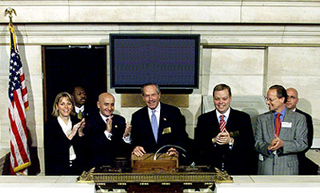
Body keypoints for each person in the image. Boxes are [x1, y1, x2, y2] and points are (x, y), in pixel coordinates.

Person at [194, 84, 256, 175]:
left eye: (224, 98)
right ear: (213, 99)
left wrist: (231, 141)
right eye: (217, 99)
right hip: (210, 171)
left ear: (230, 98)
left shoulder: (243, 118)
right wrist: (213, 140)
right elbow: (197, 146)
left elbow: (249, 145)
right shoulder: (204, 119)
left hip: (237, 171)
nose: (221, 102)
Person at [255, 85, 308, 175]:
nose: (267, 102)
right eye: (267, 99)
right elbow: (257, 143)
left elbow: (302, 143)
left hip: (288, 170)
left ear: (282, 99)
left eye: (271, 99)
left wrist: (283, 144)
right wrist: (267, 147)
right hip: (266, 169)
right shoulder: (262, 119)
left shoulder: (298, 118)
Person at [131, 83, 189, 159]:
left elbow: (182, 136)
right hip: (146, 161)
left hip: (169, 159)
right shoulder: (137, 116)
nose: (150, 99)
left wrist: (176, 149)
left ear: (159, 95)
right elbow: (135, 140)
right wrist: (136, 147)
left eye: (153, 95)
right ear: (143, 97)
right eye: (147, 96)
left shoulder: (173, 112)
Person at [44, 92, 86, 175]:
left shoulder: (76, 122)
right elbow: (57, 150)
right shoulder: (50, 125)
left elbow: (83, 150)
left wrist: (80, 132)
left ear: (72, 106)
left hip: (76, 167)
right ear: (57, 106)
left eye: (69, 104)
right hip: (58, 169)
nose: (66, 107)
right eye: (62, 104)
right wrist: (72, 133)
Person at [85, 92, 131, 167]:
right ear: (98, 105)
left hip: (117, 166)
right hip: (97, 166)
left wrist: (126, 137)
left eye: (112, 104)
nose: (110, 108)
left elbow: (123, 149)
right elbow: (92, 148)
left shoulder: (119, 120)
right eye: (106, 104)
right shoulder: (89, 121)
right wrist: (107, 132)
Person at [286, 87, 317, 175]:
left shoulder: (305, 117)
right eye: (287, 96)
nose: (289, 99)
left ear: (297, 100)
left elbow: (308, 141)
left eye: (292, 97)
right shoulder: (273, 116)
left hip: (297, 159)